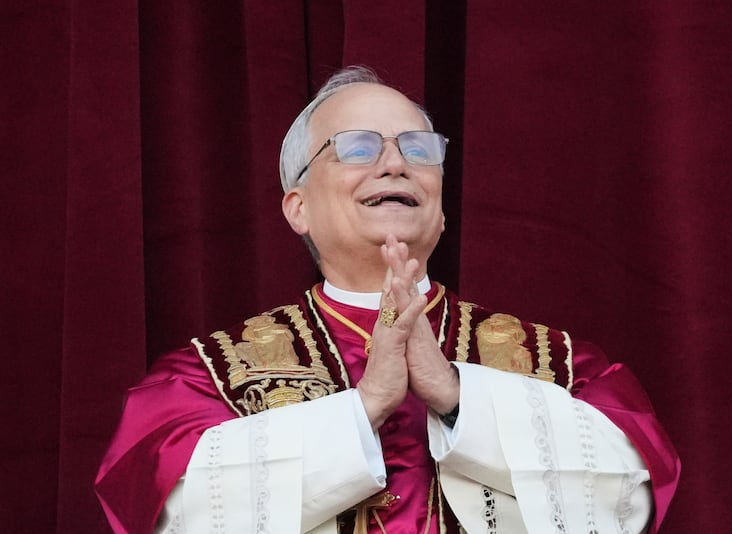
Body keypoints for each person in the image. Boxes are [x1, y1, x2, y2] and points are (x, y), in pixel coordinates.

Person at [96, 66, 680, 533]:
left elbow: (635, 492)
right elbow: (171, 509)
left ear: (443, 207)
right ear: (297, 207)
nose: (397, 163)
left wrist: (457, 397)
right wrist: (364, 407)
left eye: (419, 148)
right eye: (356, 147)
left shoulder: (565, 364)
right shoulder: (202, 377)